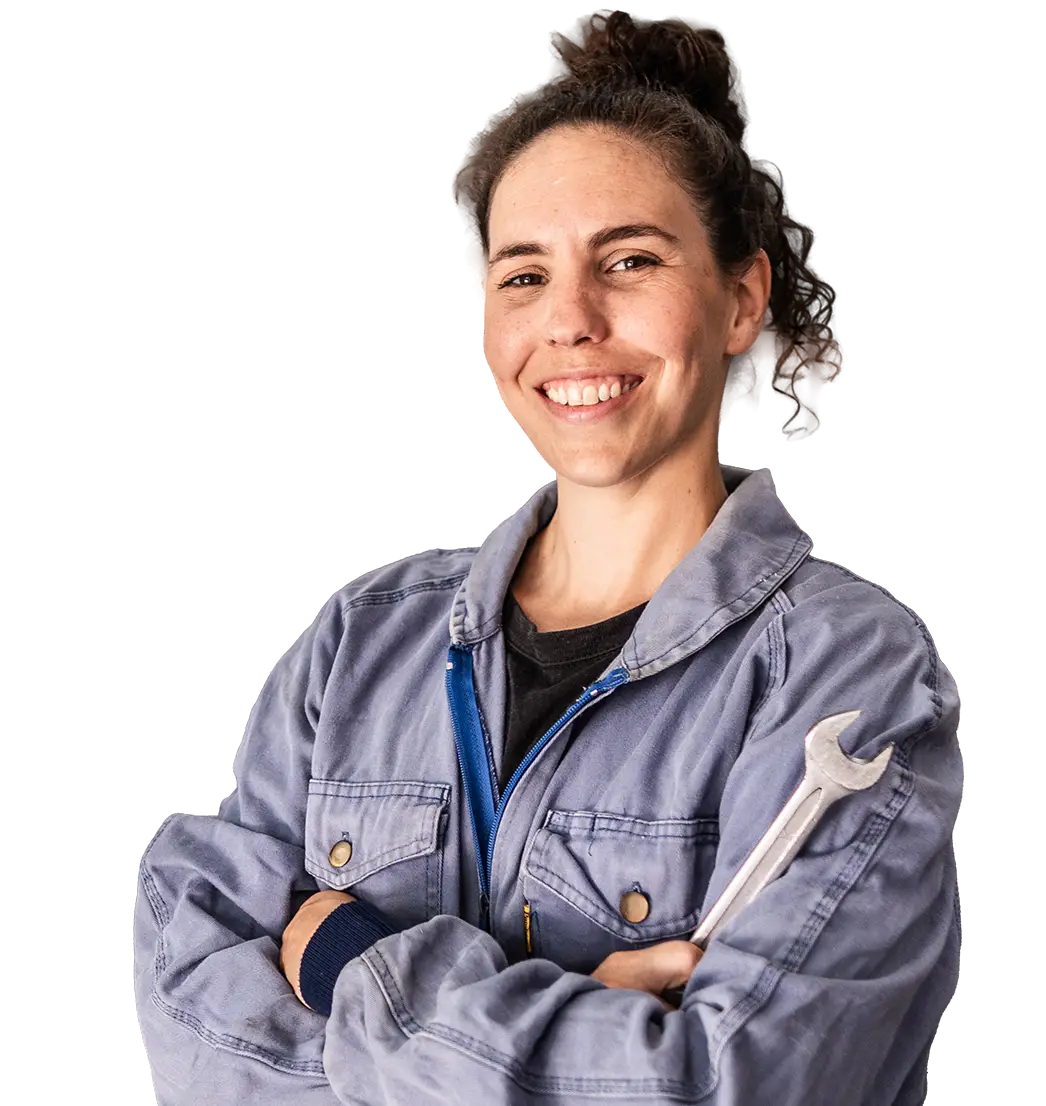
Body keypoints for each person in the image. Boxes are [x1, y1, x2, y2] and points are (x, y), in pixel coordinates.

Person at [132, 11, 962, 1105]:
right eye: (524, 275)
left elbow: (732, 1086)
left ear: (741, 298)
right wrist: (578, 1021)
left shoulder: (843, 684)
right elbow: (191, 994)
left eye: (627, 260)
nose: (569, 319)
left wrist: (336, 957)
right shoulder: (362, 639)